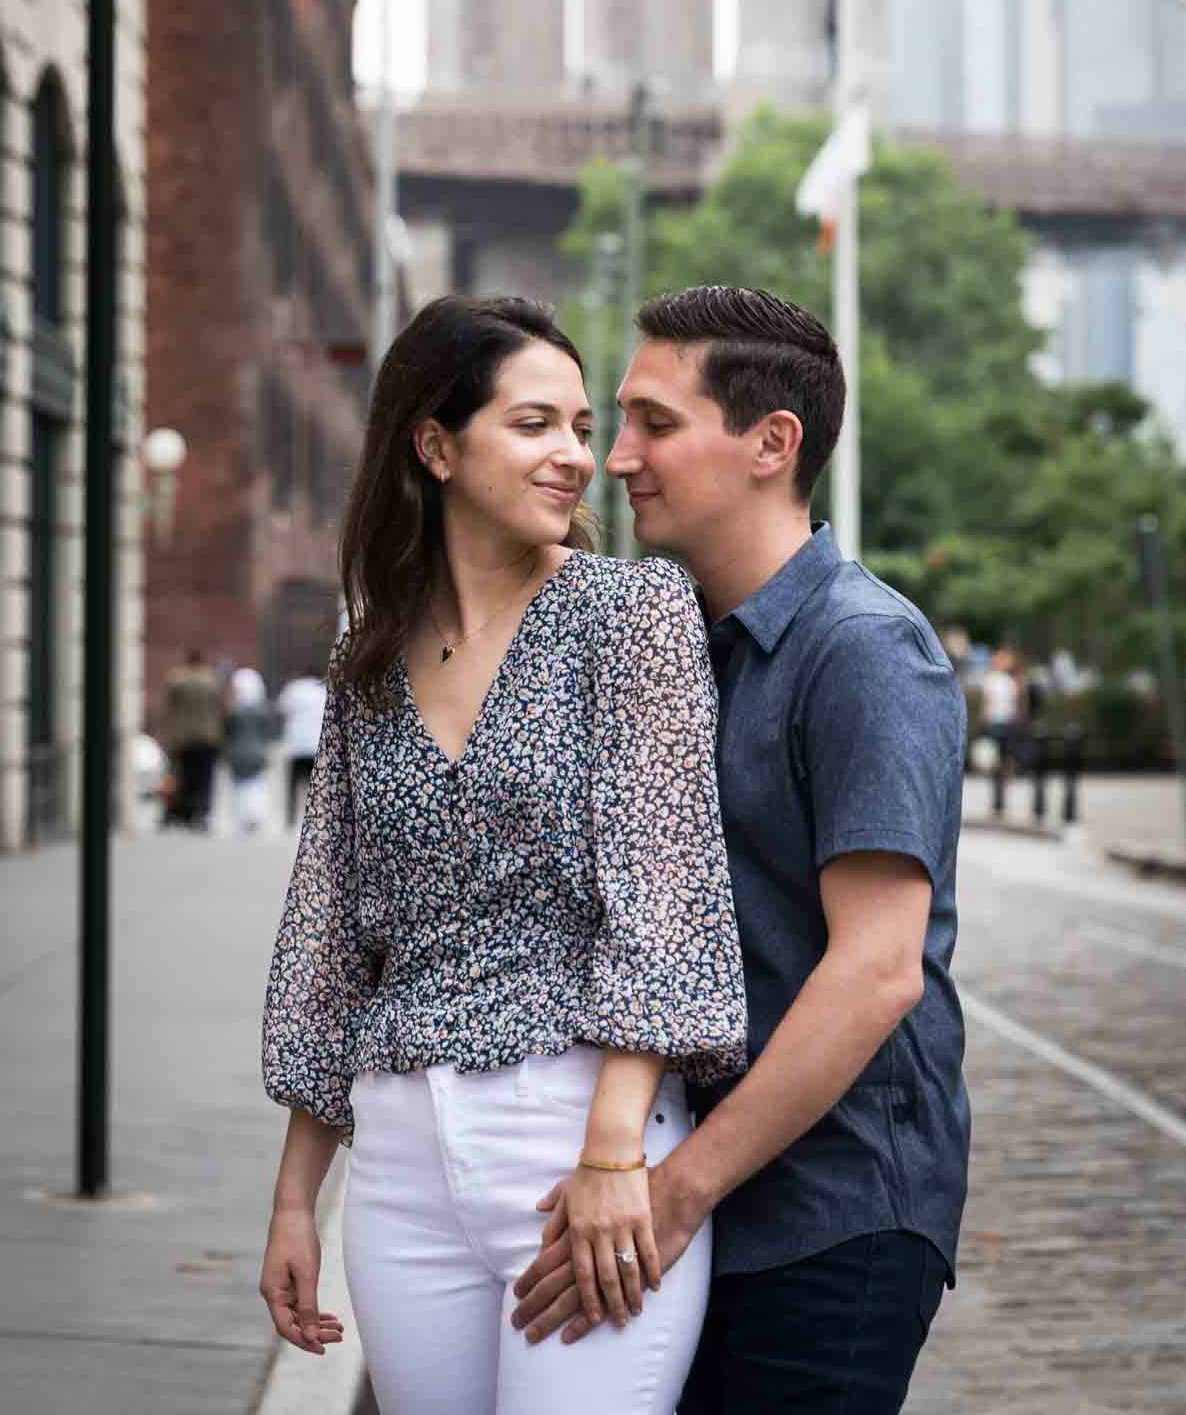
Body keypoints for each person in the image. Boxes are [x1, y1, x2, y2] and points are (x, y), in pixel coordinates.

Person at [258, 295, 747, 1415]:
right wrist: (296, 1199)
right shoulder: (363, 657)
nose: (577, 455)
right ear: (435, 444)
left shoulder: (630, 612)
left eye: (580, 427)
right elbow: (328, 930)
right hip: (397, 1158)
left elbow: (662, 896)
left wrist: (614, 1155)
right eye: (536, 424)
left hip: (574, 1134)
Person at [513, 285, 970, 1415]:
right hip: (705, 1195)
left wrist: (673, 1192)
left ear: (773, 444)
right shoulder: (680, 647)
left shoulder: (862, 650)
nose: (616, 458)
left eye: (655, 424)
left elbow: (876, 968)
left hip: (829, 1212)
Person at [161, 648, 224, 831]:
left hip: (184, 736)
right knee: (205, 777)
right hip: (208, 736)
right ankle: (202, 812)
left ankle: (186, 813)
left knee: (185, 775)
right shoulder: (212, 680)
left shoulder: (177, 680)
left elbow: (169, 708)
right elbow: (220, 708)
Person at [275, 667, 328, 827]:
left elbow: (280, 709)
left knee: (293, 785)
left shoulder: (293, 688)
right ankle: (317, 817)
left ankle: (290, 817)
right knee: (318, 786)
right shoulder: (323, 689)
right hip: (316, 745)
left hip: (296, 745)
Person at [225, 667, 276, 835]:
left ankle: (242, 816)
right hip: (257, 752)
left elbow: (227, 731)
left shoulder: (234, 711)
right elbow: (268, 732)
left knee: (239, 786)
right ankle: (255, 815)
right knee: (256, 784)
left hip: (237, 753)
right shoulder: (262, 710)